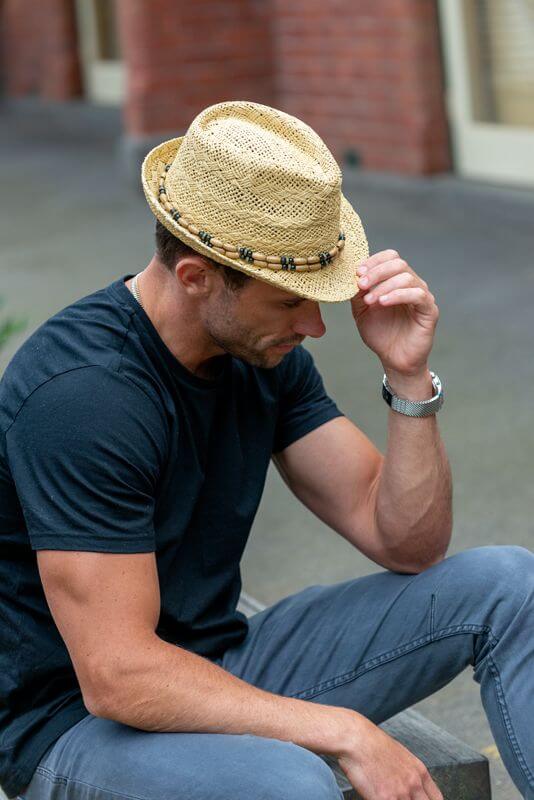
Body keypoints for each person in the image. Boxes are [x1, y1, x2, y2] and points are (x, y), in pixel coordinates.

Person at [0, 100, 532, 800]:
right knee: (290, 782)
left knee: (507, 584)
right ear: (195, 276)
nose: (315, 325)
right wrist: (341, 730)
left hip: (221, 660)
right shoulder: (83, 396)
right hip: (78, 725)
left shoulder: (261, 354)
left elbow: (405, 541)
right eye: (289, 302)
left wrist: (408, 377)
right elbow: (119, 675)